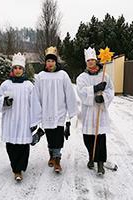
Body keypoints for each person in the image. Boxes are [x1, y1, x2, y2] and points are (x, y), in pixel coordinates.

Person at [0, 52, 42, 181]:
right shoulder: (6, 84)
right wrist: (4, 101)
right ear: (12, 69)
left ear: (23, 70)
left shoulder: (29, 85)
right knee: (11, 145)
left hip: (24, 120)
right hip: (10, 119)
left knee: (23, 146)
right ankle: (15, 168)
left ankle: (20, 168)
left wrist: (35, 121)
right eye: (15, 68)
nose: (18, 70)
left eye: (20, 68)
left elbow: (35, 103)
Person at [32, 46, 78, 173]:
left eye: (52, 61)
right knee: (50, 135)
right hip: (46, 111)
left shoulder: (63, 75)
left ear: (55, 62)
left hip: (59, 111)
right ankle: (51, 156)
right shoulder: (41, 76)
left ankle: (57, 159)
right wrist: (37, 112)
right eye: (48, 61)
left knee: (58, 135)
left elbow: (69, 93)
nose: (50, 63)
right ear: (45, 63)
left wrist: (70, 114)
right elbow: (36, 96)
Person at [76, 47, 115, 175]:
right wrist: (95, 89)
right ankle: (91, 157)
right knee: (88, 137)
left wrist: (103, 97)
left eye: (93, 60)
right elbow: (81, 91)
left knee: (100, 137)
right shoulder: (81, 77)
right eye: (88, 60)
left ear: (96, 60)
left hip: (99, 110)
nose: (91, 62)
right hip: (88, 111)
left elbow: (110, 90)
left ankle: (100, 163)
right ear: (86, 62)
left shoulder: (105, 76)